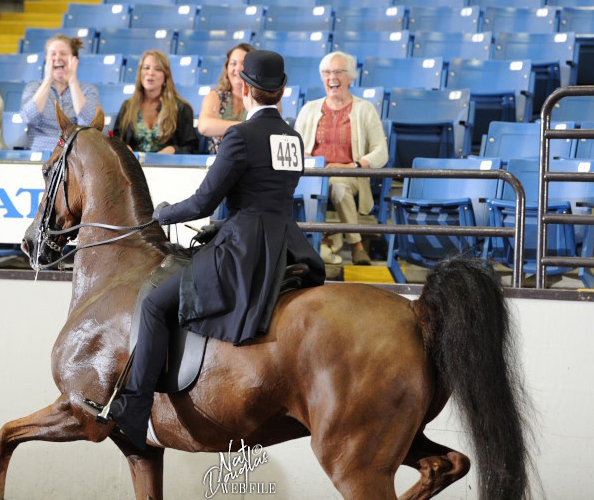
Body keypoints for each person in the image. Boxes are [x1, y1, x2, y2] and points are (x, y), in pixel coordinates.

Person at [105, 50, 326, 450]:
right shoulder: (293, 138)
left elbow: (203, 203)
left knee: (156, 304)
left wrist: (163, 214)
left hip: (244, 246)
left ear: (244, 88)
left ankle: (135, 409)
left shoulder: (239, 136)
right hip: (287, 242)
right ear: (282, 91)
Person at [294, 51, 388, 266]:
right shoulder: (309, 109)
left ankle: (356, 246)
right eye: (326, 72)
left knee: (337, 186)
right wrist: (304, 156)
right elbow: (295, 146)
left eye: (338, 72)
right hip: (312, 175)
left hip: (348, 174)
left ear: (350, 77)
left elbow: (381, 152)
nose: (331, 77)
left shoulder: (364, 109)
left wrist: (354, 165)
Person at [20, 35, 101, 151]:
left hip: (74, 155)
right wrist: (48, 80)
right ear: (46, 59)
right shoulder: (33, 88)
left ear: (74, 60)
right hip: (40, 154)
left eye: (63, 53)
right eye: (53, 54)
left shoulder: (88, 90)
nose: (57, 58)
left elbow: (90, 123)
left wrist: (72, 81)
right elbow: (28, 117)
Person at [113, 50, 198, 154]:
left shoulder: (181, 108)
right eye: (146, 68)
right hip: (132, 167)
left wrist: (174, 150)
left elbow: (192, 148)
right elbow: (114, 141)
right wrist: (123, 148)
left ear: (166, 76)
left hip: (168, 167)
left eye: (157, 69)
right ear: (140, 73)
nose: (150, 73)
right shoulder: (127, 107)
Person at [197, 42, 254, 154]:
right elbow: (204, 126)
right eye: (233, 63)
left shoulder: (261, 97)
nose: (238, 68)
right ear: (227, 67)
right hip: (218, 160)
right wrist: (247, 128)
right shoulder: (215, 96)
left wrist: (221, 127)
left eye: (244, 64)